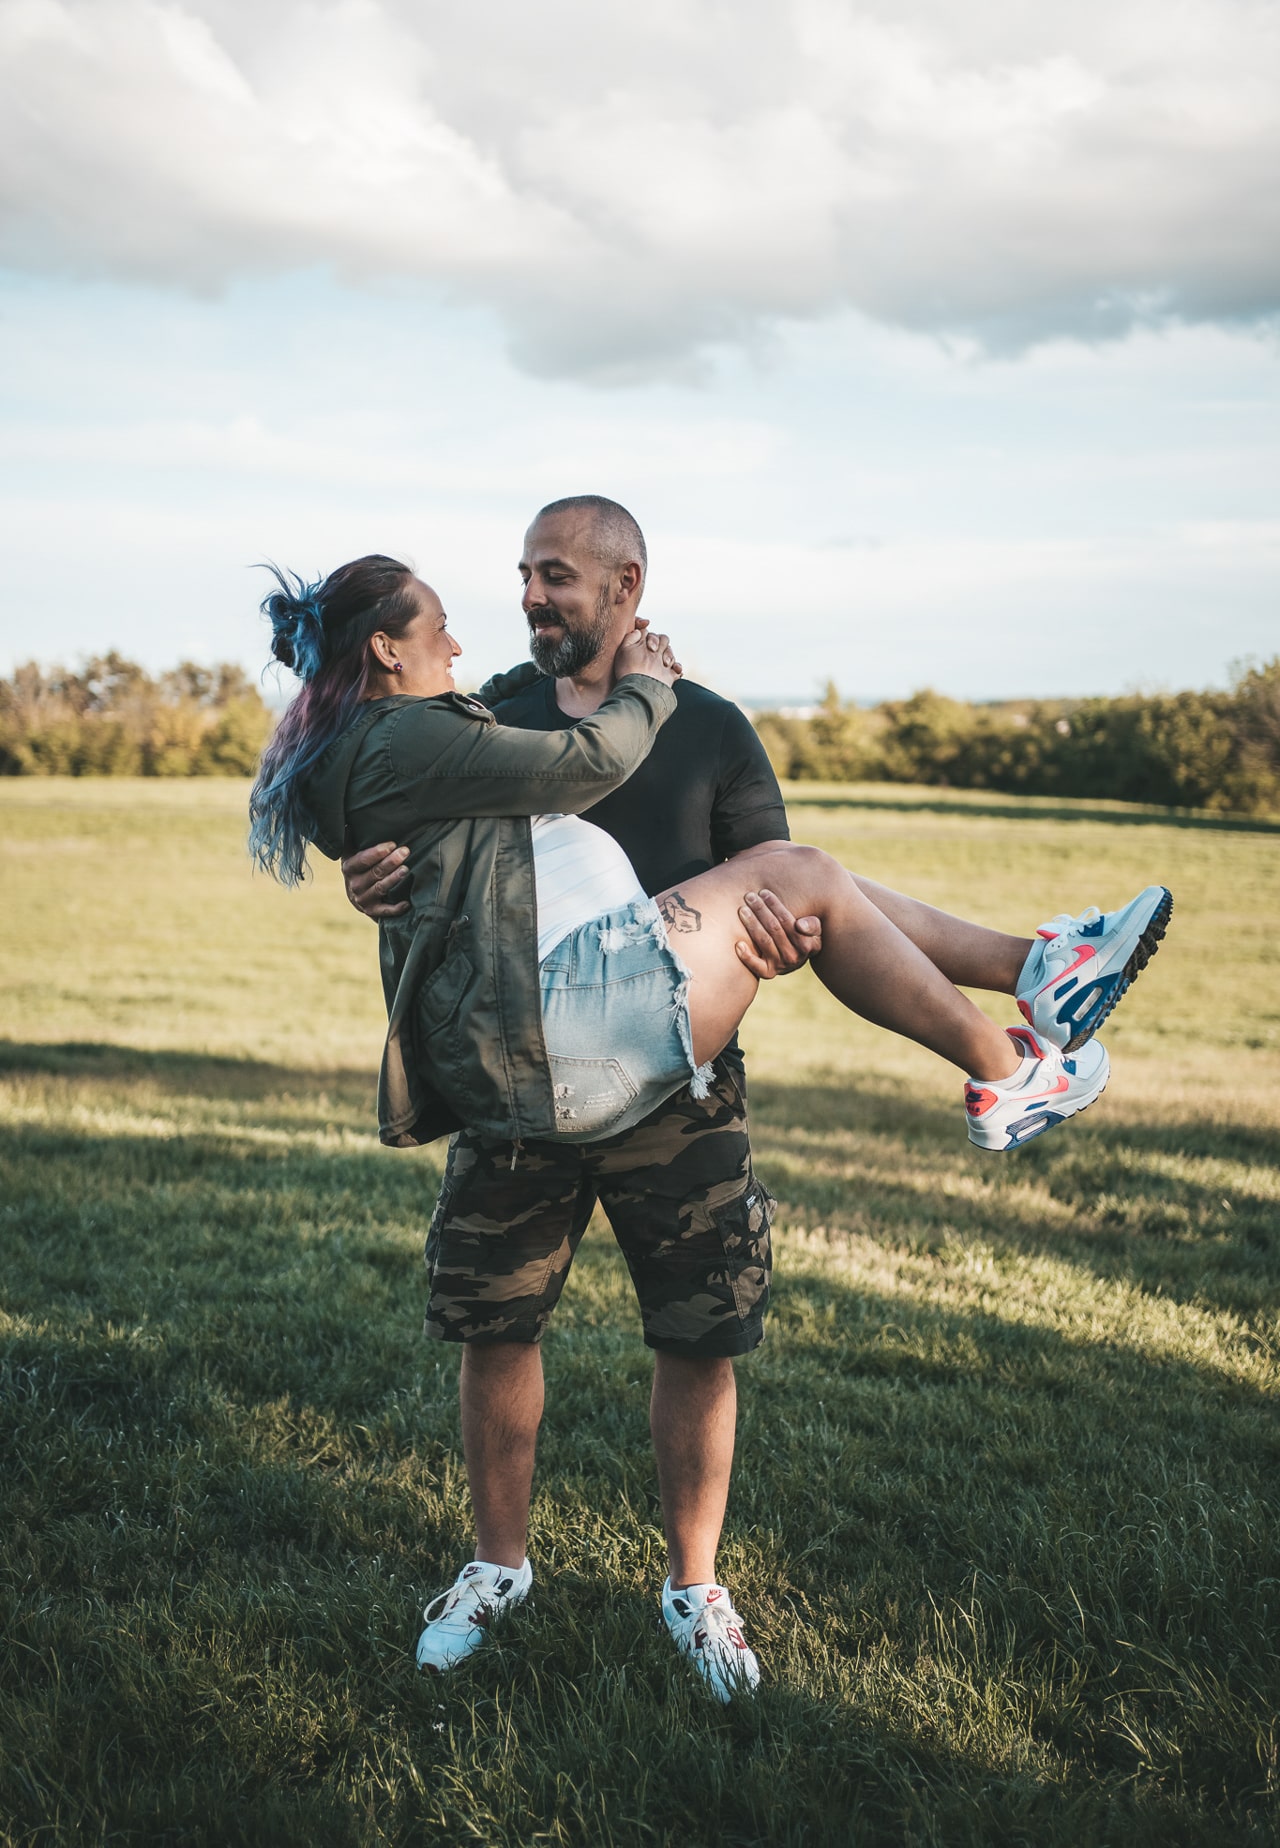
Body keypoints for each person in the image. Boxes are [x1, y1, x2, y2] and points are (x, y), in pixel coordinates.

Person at [252, 517, 1171, 1697]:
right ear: (390, 648)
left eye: (553, 575)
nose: (524, 597)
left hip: (671, 1069)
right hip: (537, 1056)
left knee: (699, 1331)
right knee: (495, 1325)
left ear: (624, 584)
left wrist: (782, 933)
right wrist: (366, 874)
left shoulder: (712, 726)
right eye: (522, 574)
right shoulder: (485, 710)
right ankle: (495, 1567)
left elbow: (787, 891)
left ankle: (693, 1586)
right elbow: (415, 812)